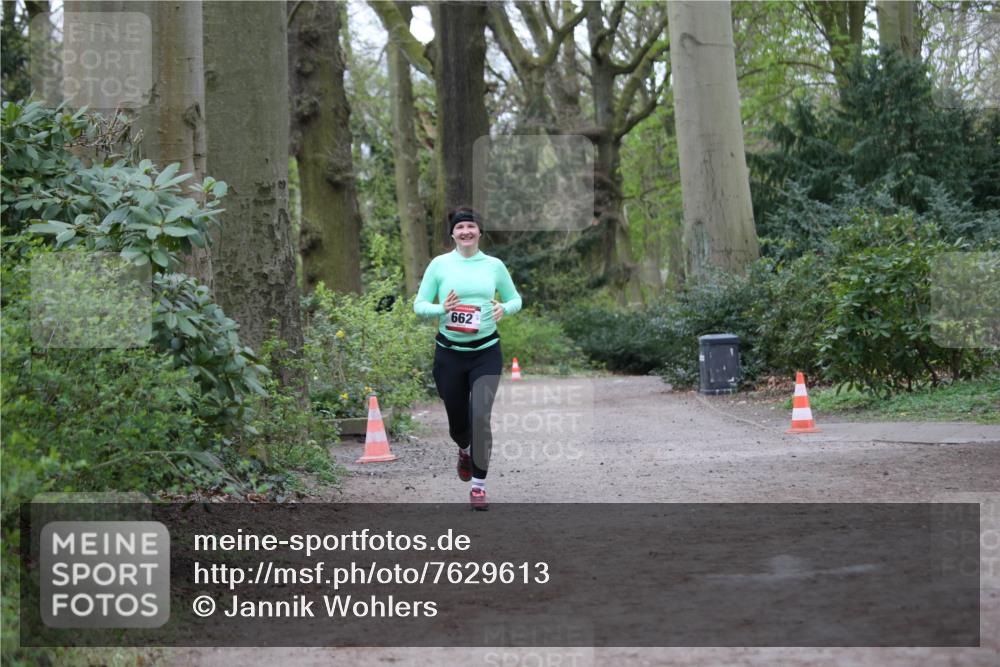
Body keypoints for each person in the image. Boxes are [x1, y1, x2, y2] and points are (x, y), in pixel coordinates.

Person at [413, 206, 522, 510]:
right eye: (460, 228)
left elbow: (516, 298)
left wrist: (506, 308)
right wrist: (441, 310)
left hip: (486, 352)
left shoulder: (494, 266)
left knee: (480, 417)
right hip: (449, 354)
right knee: (458, 423)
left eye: (471, 227)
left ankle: (478, 485)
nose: (466, 232)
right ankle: (463, 449)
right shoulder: (439, 265)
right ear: (452, 233)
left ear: (479, 232)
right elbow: (419, 305)